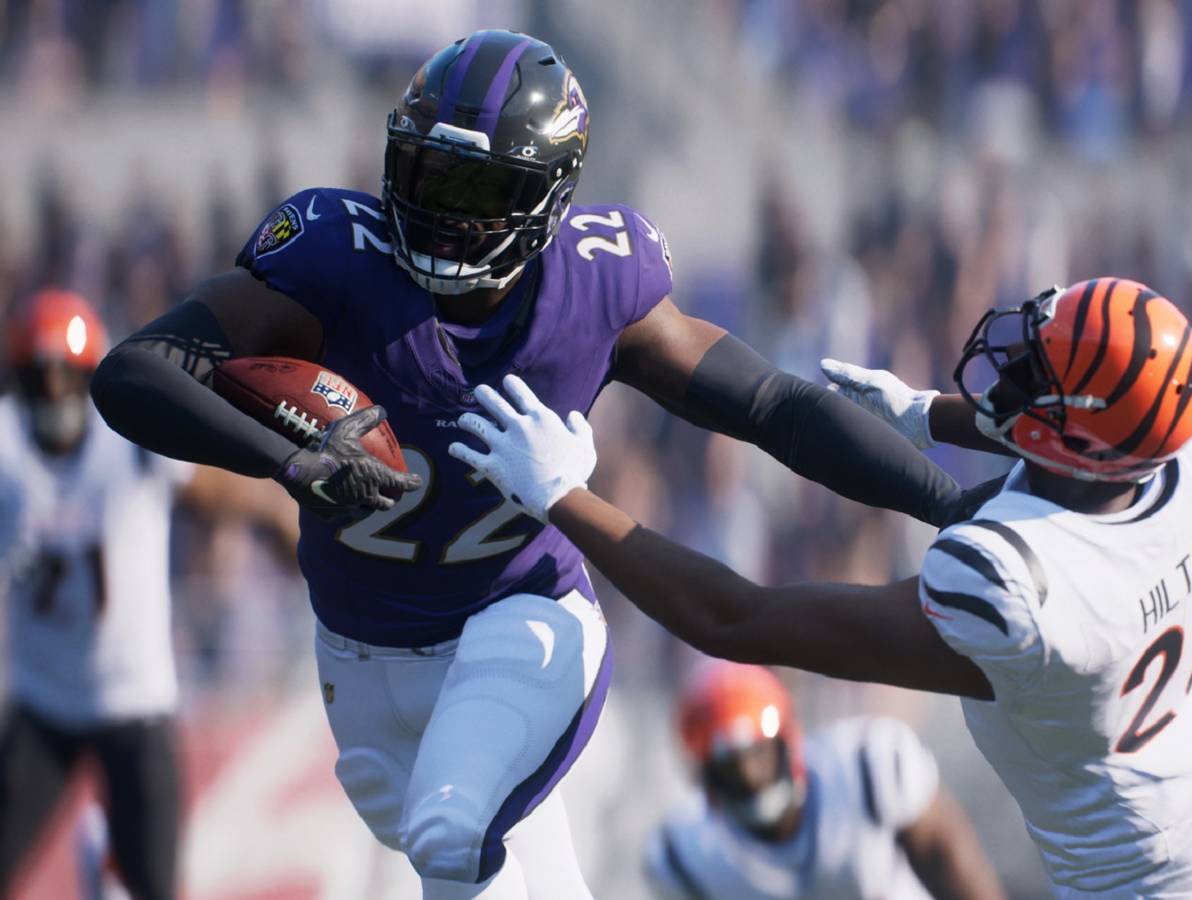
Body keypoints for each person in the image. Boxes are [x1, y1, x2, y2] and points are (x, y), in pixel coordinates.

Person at [88, 30, 980, 900]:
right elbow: (133, 370)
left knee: (450, 832)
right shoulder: (334, 261)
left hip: (521, 622)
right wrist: (294, 459)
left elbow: (773, 406)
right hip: (358, 656)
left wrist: (951, 504)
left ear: (548, 197)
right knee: (491, 868)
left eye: (478, 187)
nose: (443, 209)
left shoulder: (594, 285)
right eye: (428, 172)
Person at [448, 278, 1192, 898]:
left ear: (1081, 444)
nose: (1013, 372)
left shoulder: (1022, 586)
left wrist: (565, 497)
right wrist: (930, 415)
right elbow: (1109, 422)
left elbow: (738, 620)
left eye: (1037, 379)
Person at [0, 291, 290, 900]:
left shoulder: (126, 436)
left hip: (135, 699)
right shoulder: (6, 448)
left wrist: (284, 524)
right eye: (39, 378)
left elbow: (218, 490)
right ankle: (101, 860)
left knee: (158, 887)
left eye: (64, 376)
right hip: (44, 699)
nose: (53, 393)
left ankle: (107, 863)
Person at [643, 661, 1004, 900]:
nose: (750, 777)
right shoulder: (685, 858)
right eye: (729, 768)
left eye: (758, 754)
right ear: (703, 777)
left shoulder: (867, 768)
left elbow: (950, 862)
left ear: (788, 740)